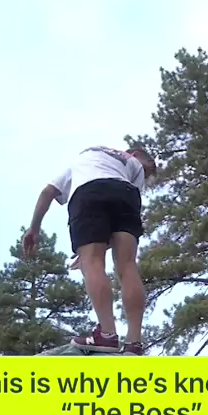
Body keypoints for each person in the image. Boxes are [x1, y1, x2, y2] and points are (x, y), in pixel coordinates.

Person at [23, 145, 156, 355]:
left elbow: (48, 191)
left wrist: (34, 229)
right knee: (128, 265)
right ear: (136, 154)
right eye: (148, 170)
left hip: (89, 192)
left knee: (93, 263)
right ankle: (134, 342)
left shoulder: (85, 157)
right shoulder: (133, 164)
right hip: (126, 195)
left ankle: (107, 334)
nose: (146, 176)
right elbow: (125, 211)